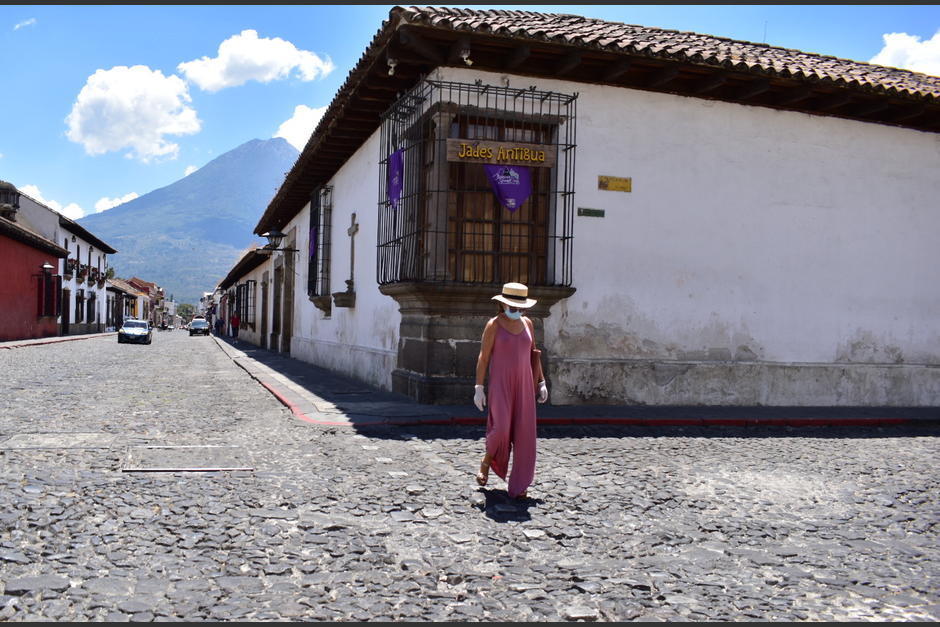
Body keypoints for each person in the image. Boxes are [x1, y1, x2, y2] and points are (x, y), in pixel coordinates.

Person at [473, 282, 548, 499]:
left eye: (520, 308)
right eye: (512, 307)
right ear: (503, 304)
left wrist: (541, 382)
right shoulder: (493, 325)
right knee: (501, 428)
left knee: (524, 435)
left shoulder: (528, 323)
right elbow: (483, 357)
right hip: (501, 385)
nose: (517, 311)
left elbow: (533, 354)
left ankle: (520, 484)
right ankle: (486, 462)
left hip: (524, 385)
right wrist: (479, 387)